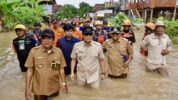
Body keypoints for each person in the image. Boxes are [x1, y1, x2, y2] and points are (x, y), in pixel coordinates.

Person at [25, 29, 68, 100]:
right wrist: (27, 89)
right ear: (41, 40)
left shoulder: (58, 51)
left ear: (53, 39)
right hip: (39, 89)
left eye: (49, 38)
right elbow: (29, 71)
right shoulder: (34, 51)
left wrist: (64, 84)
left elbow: (61, 69)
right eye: (44, 38)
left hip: (54, 87)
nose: (46, 40)